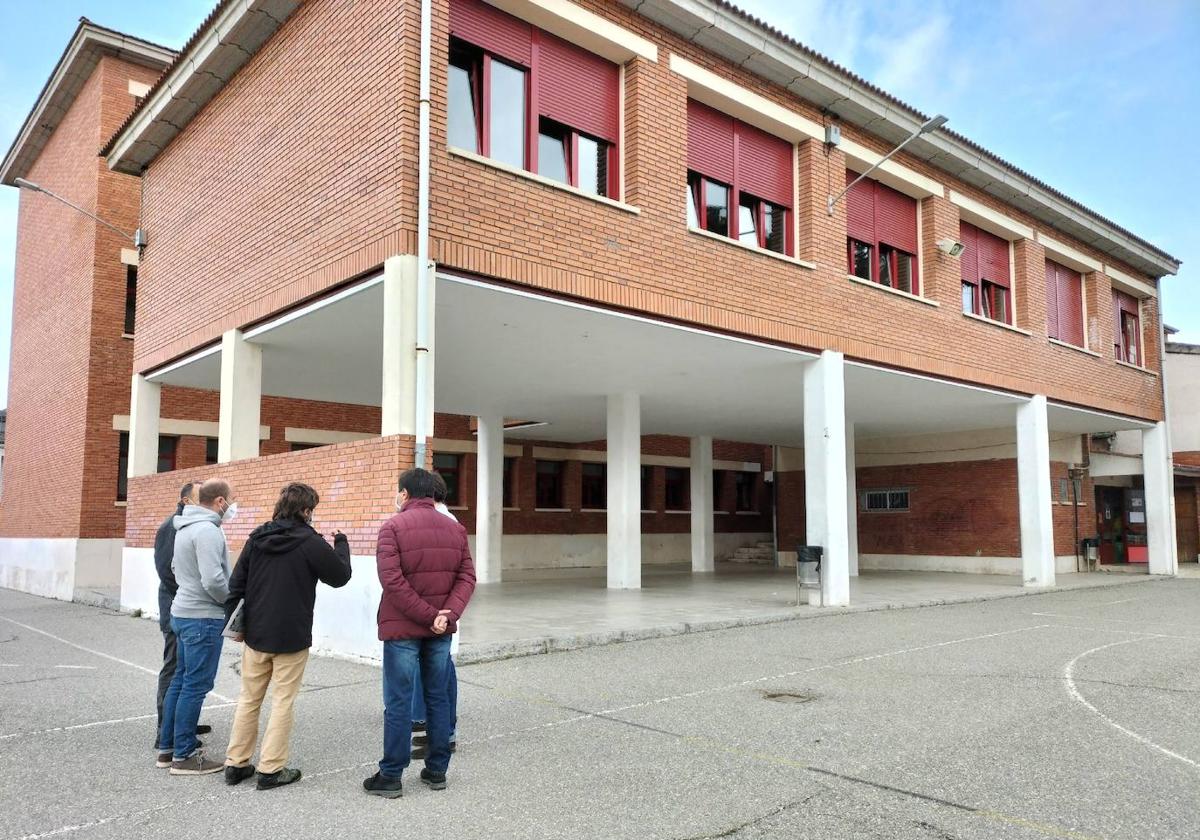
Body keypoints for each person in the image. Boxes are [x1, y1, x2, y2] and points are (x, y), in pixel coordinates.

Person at [223, 482, 353, 790]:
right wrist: (342, 544)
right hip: (291, 635)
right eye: (312, 510)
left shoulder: (257, 536)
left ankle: (236, 764)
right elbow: (340, 576)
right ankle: (271, 769)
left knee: (248, 699)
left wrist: (236, 627)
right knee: (282, 701)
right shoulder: (310, 541)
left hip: (255, 632)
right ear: (306, 510)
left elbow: (236, 584)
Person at [364, 468, 475, 798]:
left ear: (404, 494)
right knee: (438, 697)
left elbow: (392, 582)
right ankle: (437, 771)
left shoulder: (392, 528)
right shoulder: (456, 529)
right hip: (439, 629)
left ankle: (391, 776)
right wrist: (445, 615)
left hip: (403, 630)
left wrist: (429, 616)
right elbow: (467, 578)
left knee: (399, 701)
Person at [157, 478, 237, 775]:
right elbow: (213, 579)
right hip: (202, 617)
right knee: (195, 685)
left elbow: (177, 569)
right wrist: (229, 604)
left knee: (181, 680)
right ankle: (185, 754)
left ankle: (168, 749)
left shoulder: (185, 527)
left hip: (182, 612)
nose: (232, 506)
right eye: (231, 500)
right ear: (219, 502)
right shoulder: (208, 531)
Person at [153, 481, 211, 755]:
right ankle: (166, 729)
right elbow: (168, 571)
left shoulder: (189, 526)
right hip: (180, 609)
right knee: (175, 669)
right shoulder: (172, 528)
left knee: (185, 672)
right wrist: (191, 596)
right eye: (202, 498)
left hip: (184, 606)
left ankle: (182, 724)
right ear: (187, 501)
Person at [411, 472, 460, 759]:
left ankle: (445, 735)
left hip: (439, 616)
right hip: (435, 615)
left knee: (442, 675)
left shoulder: (446, 523)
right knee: (437, 674)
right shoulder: (441, 519)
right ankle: (437, 731)